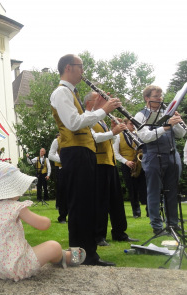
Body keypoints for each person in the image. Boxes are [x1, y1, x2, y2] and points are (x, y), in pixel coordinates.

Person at [50, 54, 121, 266]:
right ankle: (80, 257)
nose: (83, 71)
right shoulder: (61, 92)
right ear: (69, 67)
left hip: (84, 154)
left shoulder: (72, 94)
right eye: (81, 67)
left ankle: (90, 255)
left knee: (88, 206)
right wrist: (103, 110)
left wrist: (104, 121)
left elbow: (89, 133)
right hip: (75, 154)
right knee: (80, 207)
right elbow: (73, 123)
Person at [0, 161, 86, 281]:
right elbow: (44, 225)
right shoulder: (15, 207)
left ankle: (60, 256)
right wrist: (46, 220)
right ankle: (65, 257)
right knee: (54, 246)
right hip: (15, 268)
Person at [84, 92, 139, 246]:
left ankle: (120, 232)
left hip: (110, 162)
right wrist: (112, 132)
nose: (103, 101)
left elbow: (110, 139)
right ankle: (99, 235)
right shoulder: (86, 117)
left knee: (116, 200)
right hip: (98, 163)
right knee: (100, 201)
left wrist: (115, 132)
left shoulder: (100, 119)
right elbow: (93, 137)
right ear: (90, 102)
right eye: (99, 99)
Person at [134, 85, 186, 234]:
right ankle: (157, 227)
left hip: (171, 154)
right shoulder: (140, 116)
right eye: (156, 96)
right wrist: (166, 127)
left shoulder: (166, 113)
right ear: (147, 98)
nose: (160, 98)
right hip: (152, 156)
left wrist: (178, 121)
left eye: (160, 95)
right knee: (154, 191)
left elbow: (180, 134)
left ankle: (172, 224)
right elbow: (145, 137)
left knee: (173, 191)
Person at [113, 118, 148, 218]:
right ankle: (136, 211)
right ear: (125, 124)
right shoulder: (118, 136)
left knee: (145, 187)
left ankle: (148, 210)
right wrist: (126, 162)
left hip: (140, 164)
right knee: (132, 189)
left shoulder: (139, 134)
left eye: (134, 124)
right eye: (131, 124)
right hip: (127, 165)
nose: (133, 126)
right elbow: (115, 153)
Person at [48, 134, 67, 223]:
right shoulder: (57, 141)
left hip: (74, 169)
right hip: (62, 169)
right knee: (63, 194)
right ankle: (62, 216)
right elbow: (50, 155)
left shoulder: (74, 138)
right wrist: (63, 160)